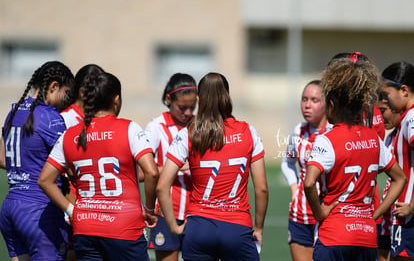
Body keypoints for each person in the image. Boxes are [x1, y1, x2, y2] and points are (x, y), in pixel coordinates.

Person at [37, 71, 159, 261]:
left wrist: (71, 210)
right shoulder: (129, 128)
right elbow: (151, 172)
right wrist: (149, 210)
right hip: (124, 228)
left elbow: (45, 180)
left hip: (85, 227)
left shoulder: (70, 135)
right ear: (116, 100)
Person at [303, 56, 407, 261]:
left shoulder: (328, 140)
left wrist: (320, 213)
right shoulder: (374, 140)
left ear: (331, 105)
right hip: (366, 238)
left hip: (334, 236)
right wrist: (374, 216)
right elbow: (400, 178)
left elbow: (308, 183)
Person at [157, 72, 269, 261]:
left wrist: (174, 227)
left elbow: (162, 186)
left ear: (199, 98)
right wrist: (258, 227)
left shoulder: (188, 133)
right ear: (228, 95)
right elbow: (262, 189)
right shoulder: (248, 131)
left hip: (199, 228)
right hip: (237, 228)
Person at [0, 60, 74, 261]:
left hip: (10, 208)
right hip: (38, 211)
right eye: (65, 93)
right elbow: (71, 162)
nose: (66, 100)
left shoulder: (12, 112)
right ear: (54, 86)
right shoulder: (50, 117)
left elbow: (1, 157)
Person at [145, 73, 197, 261]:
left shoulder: (200, 125)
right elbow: (143, 173)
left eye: (193, 107)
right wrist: (174, 168)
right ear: (169, 99)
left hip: (198, 211)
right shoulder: (155, 127)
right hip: (167, 213)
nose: (189, 113)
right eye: (183, 107)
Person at [281, 79, 332, 261]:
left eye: (314, 100)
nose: (307, 105)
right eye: (304, 99)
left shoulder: (333, 133)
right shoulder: (298, 131)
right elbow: (287, 162)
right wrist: (295, 188)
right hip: (299, 215)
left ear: (327, 104)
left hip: (326, 216)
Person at [59, 63, 105, 261]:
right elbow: (59, 169)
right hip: (73, 203)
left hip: (92, 203)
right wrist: (71, 208)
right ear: (82, 91)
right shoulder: (66, 119)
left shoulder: (93, 119)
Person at [380, 61, 414, 260]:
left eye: (386, 95)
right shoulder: (405, 120)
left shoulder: (411, 118)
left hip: (408, 218)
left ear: (403, 90)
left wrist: (411, 205)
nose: (385, 101)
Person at [376, 97, 402, 261]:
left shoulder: (407, 133)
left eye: (383, 111)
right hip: (388, 214)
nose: (380, 117)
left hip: (402, 212)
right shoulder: (389, 137)